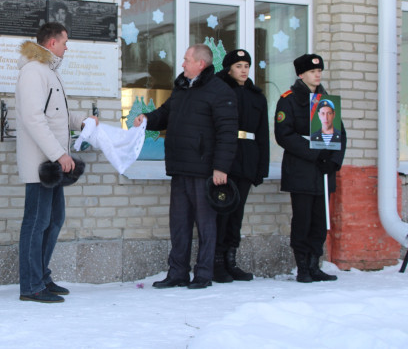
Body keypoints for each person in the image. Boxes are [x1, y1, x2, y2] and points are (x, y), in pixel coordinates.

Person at [133, 44, 237, 289]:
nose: (182, 64)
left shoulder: (220, 91)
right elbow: (165, 113)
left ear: (201, 64)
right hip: (180, 167)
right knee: (179, 223)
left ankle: (203, 274)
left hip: (204, 171)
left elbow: (227, 133)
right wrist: (147, 119)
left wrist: (220, 168)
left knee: (205, 225)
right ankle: (177, 272)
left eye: (186, 60)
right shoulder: (182, 88)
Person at [16, 22, 96, 303]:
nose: (67, 47)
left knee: (53, 220)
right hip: (43, 164)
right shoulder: (33, 72)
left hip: (51, 164)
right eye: (64, 42)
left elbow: (57, 114)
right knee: (37, 222)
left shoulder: (47, 72)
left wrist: (82, 120)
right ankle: (31, 285)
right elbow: (33, 118)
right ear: (51, 43)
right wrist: (59, 155)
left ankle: (41, 276)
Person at [275, 53, 346, 282]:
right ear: (301, 74)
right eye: (313, 71)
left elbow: (340, 134)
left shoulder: (326, 99)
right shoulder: (289, 99)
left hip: (323, 171)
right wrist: (314, 153)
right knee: (303, 218)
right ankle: (303, 266)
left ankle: (315, 264)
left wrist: (333, 161)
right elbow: (284, 134)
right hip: (302, 168)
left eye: (319, 71)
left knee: (319, 219)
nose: (318, 74)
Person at [213, 49, 269, 283]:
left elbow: (263, 134)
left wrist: (261, 169)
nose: (244, 70)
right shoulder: (219, 90)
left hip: (247, 158)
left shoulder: (257, 96)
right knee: (221, 213)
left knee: (237, 214)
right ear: (228, 69)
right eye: (238, 66)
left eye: (247, 65)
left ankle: (230, 260)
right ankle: (215, 261)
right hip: (226, 160)